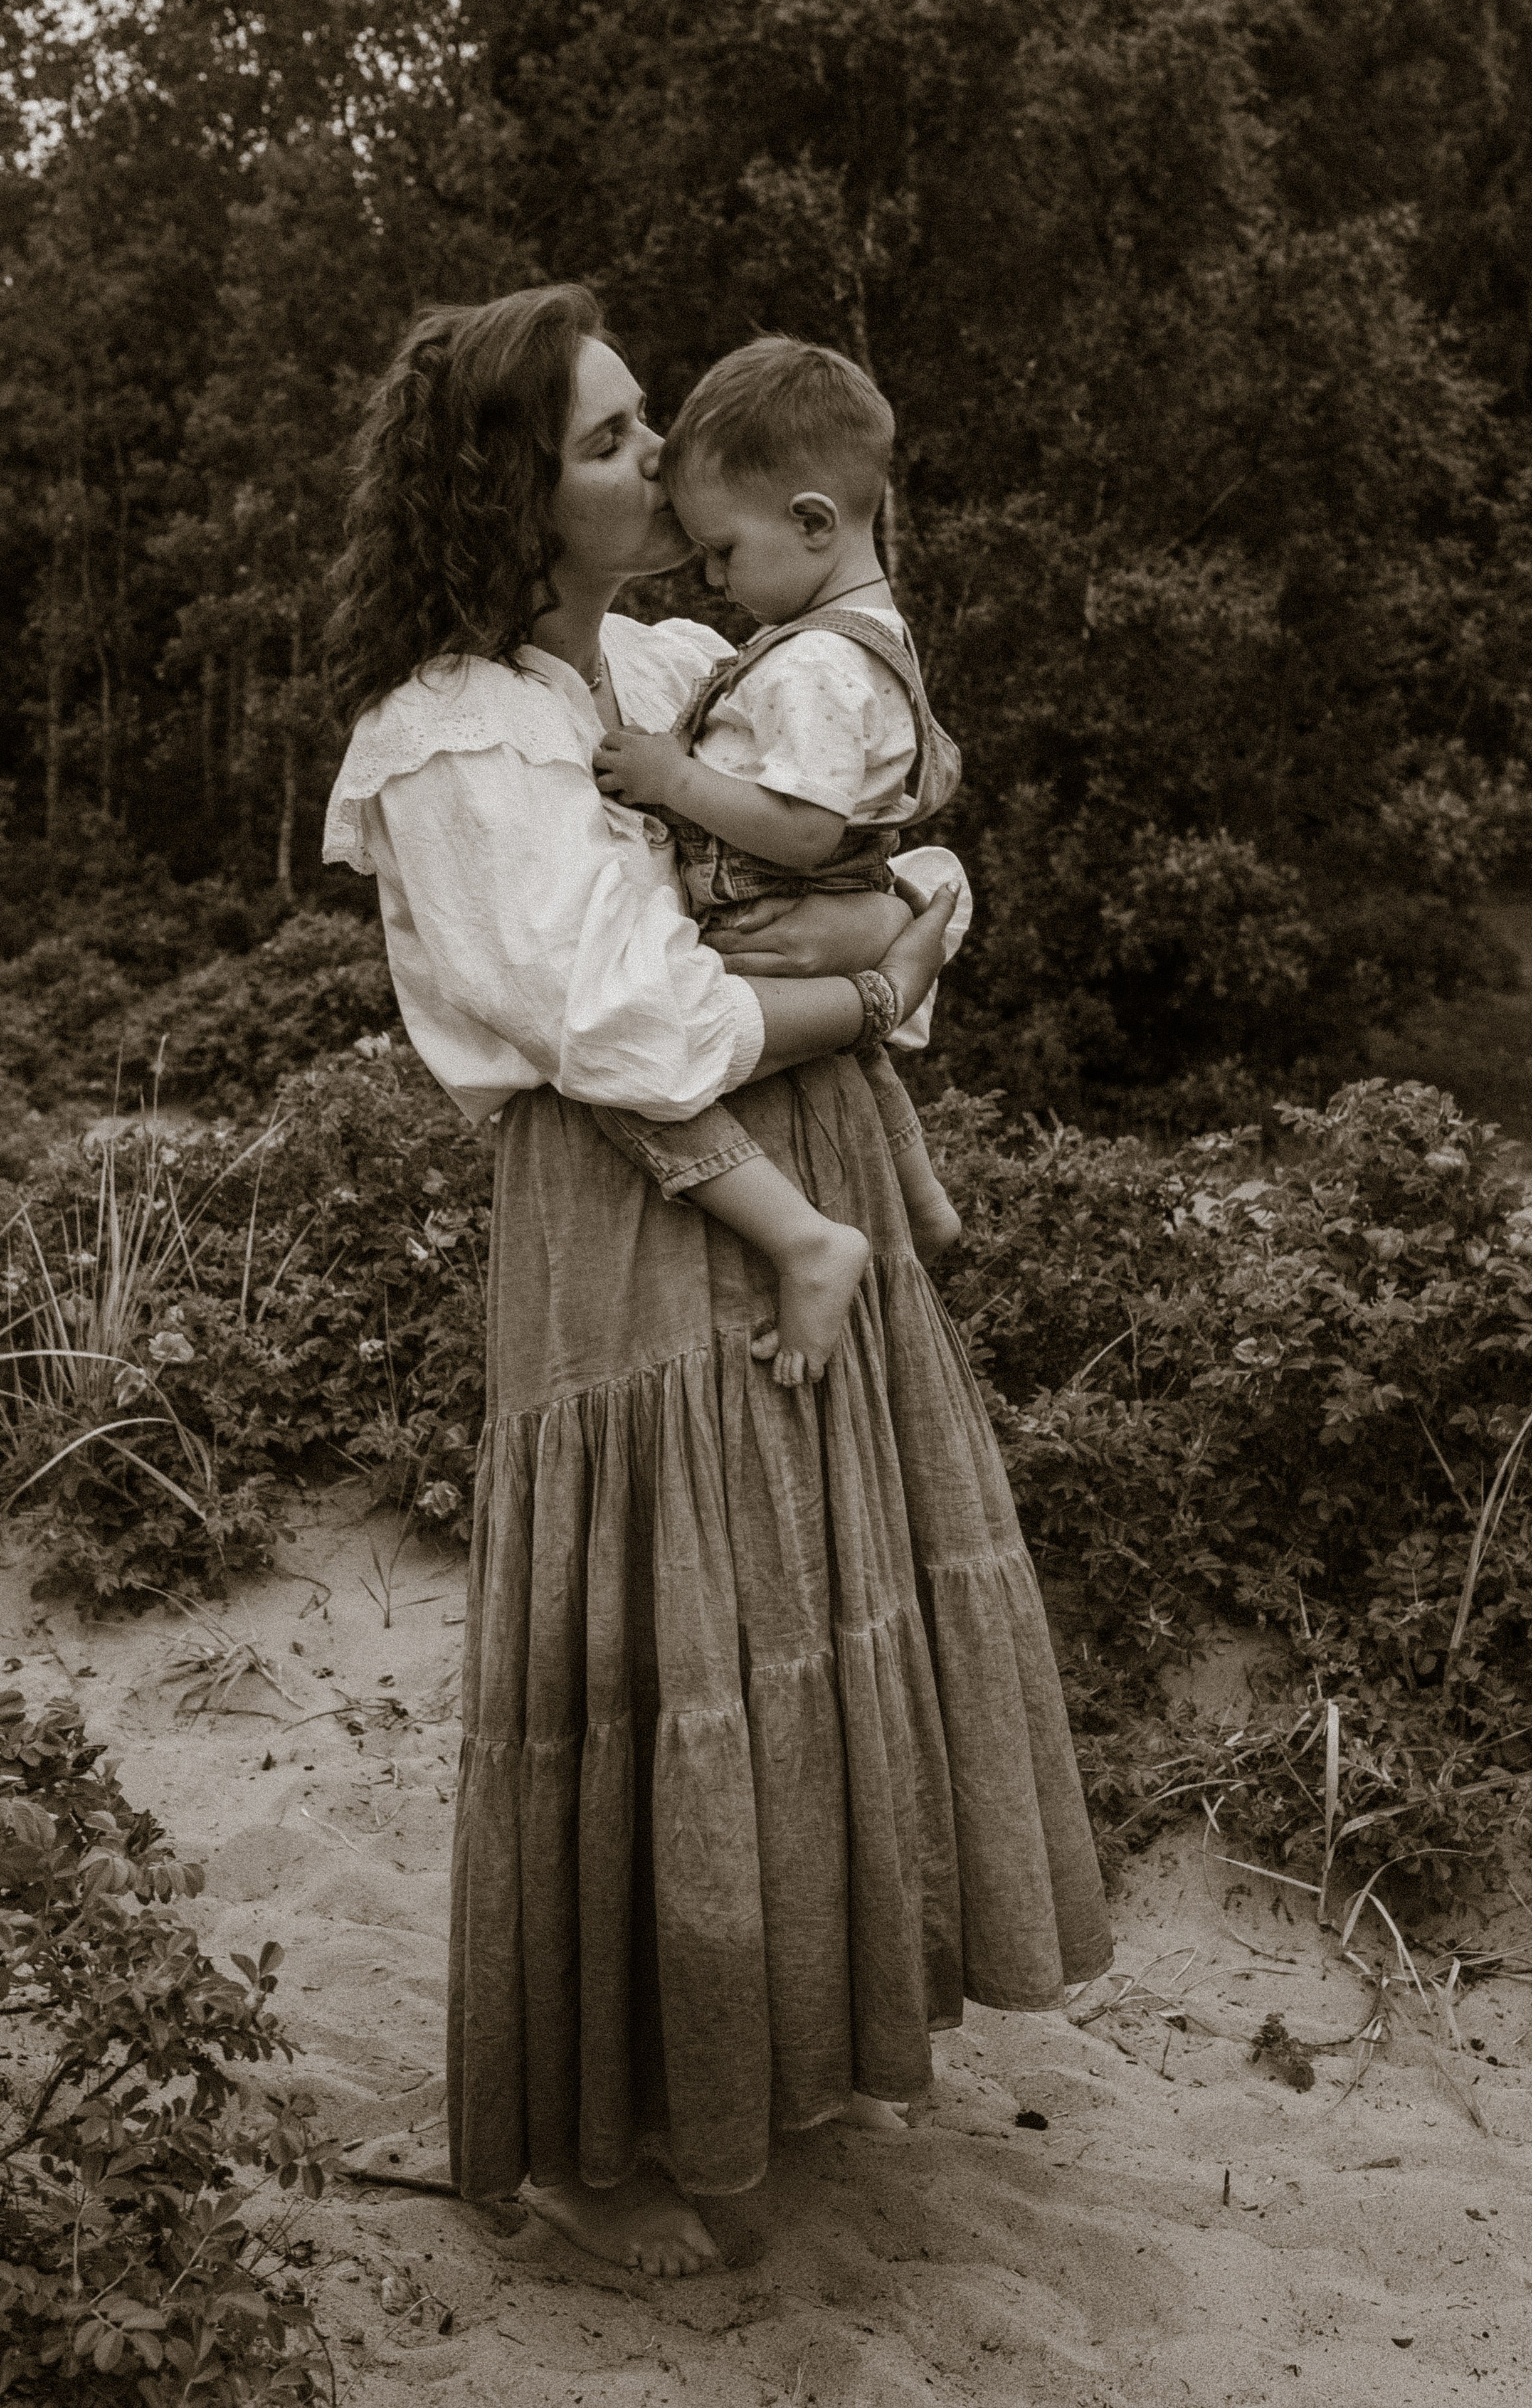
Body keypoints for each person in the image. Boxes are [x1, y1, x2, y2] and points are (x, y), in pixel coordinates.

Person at [322, 284, 1113, 2281]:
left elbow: (912, 836)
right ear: (510, 496)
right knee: (660, 1655)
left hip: (802, 1143)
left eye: (645, 415)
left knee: (804, 1602)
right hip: (629, 1217)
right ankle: (595, 2146)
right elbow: (628, 1018)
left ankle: (764, 2064)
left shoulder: (686, 651)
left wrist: (896, 919)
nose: (659, 458)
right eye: (608, 443)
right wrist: (861, 976)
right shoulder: (452, 733)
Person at [589, 335, 963, 1386]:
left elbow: (802, 829)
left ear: (811, 522)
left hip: (773, 902)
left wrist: (671, 780)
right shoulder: (863, 634)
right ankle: (922, 1200)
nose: (710, 576)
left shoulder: (817, 665)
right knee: (855, 1045)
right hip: (829, 913)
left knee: (633, 1057)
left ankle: (805, 1238)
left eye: (722, 552)